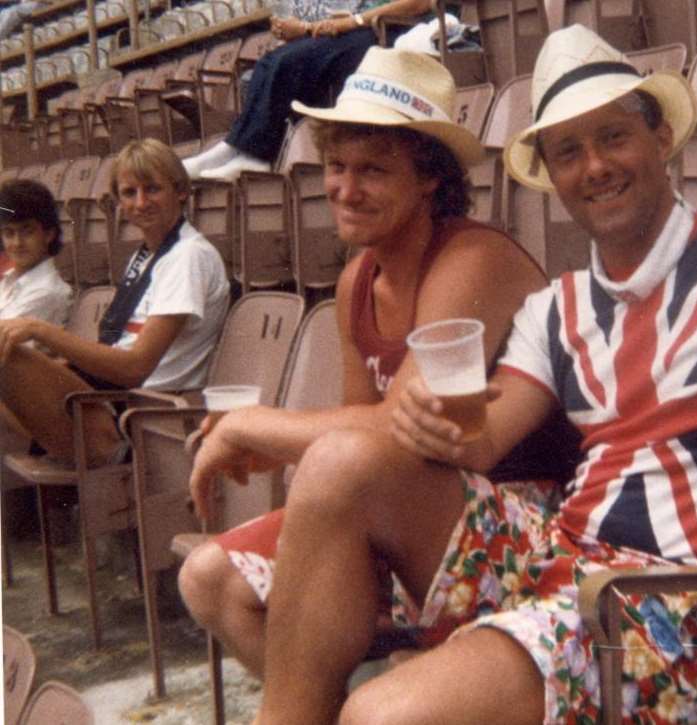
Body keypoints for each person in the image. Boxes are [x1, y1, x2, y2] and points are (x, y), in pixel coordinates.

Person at [243, 24, 697, 724]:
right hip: (565, 561)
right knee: (340, 461)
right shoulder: (556, 310)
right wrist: (425, 426)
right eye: (567, 151)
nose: (594, 166)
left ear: (660, 137)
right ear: (552, 177)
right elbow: (478, 442)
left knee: (382, 714)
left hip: (693, 607)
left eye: (613, 136)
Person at [179, 47, 567, 679]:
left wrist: (251, 427)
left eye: (374, 171)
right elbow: (361, 421)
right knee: (212, 580)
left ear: (429, 179)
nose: (346, 190)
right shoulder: (356, 281)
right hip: (405, 505)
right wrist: (275, 446)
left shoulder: (473, 256)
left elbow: (396, 427)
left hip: (520, 513)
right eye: (336, 166)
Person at [0, 138, 229, 465]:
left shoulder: (188, 256)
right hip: (108, 395)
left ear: (180, 191)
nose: (141, 202)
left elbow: (136, 367)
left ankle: (104, 455)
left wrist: (39, 330)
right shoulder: (145, 255)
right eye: (129, 193)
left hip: (139, 411)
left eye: (152, 189)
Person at [180, 0, 431, 183]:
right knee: (270, 60)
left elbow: (417, 4)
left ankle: (256, 155)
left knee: (289, 61)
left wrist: (349, 22)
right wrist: (316, 26)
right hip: (362, 27)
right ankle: (235, 148)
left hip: (391, 32)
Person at [0, 179, 72, 328]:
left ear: (49, 234)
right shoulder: (8, 282)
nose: (17, 243)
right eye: (9, 233)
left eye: (27, 232)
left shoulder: (47, 291)